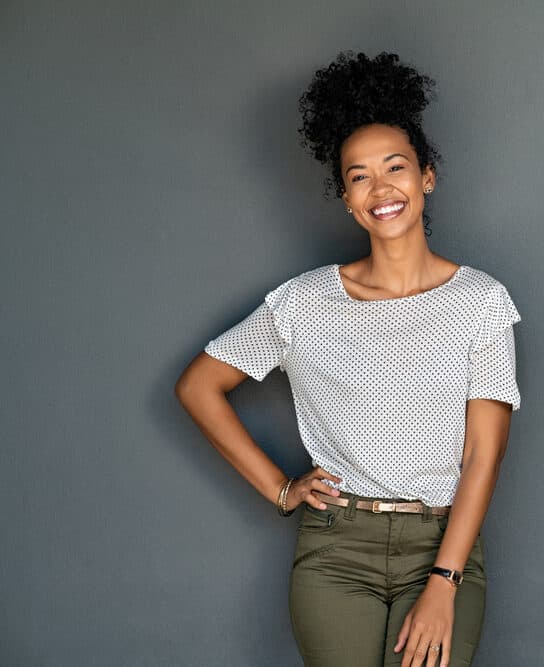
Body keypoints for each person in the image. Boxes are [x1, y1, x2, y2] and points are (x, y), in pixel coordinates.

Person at [174, 52, 522, 667]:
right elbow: (199, 386)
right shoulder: (305, 303)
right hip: (336, 552)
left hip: (442, 545)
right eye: (359, 176)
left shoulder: (481, 301)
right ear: (346, 198)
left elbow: (482, 455)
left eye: (396, 167)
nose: (381, 188)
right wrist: (281, 489)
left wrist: (444, 582)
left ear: (427, 177)